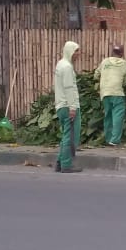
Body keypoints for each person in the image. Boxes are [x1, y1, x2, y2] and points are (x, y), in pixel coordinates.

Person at [95, 43, 126, 147]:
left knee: (108, 115)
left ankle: (108, 139)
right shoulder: (124, 64)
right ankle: (114, 140)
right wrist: (122, 84)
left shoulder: (105, 61)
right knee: (118, 116)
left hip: (105, 93)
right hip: (117, 93)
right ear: (122, 53)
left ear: (112, 52)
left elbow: (96, 74)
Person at [54, 40, 82, 173]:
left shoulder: (60, 64)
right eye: (76, 51)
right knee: (71, 137)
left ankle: (60, 162)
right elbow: (69, 88)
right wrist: (72, 107)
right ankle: (66, 165)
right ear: (70, 52)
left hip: (61, 106)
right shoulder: (67, 67)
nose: (78, 54)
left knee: (66, 136)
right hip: (68, 106)